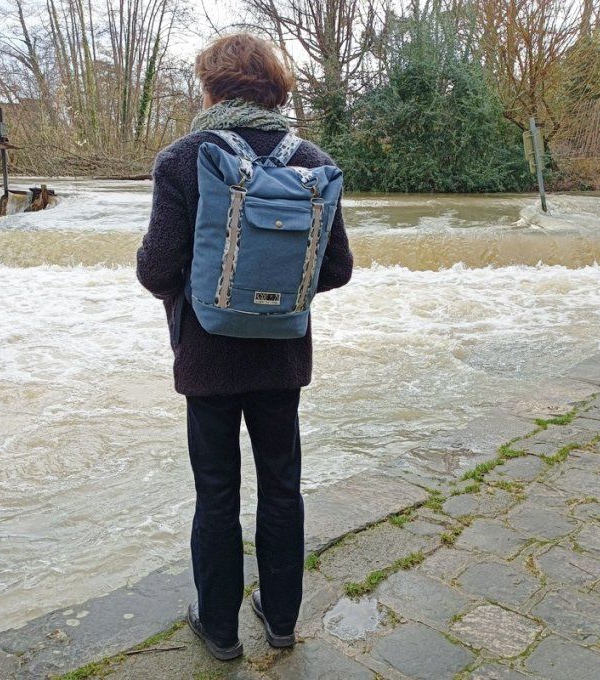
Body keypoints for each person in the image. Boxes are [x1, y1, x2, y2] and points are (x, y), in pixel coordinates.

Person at [136, 32, 353, 661]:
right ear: (275, 87)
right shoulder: (310, 158)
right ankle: (281, 621)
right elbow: (336, 269)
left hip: (207, 358)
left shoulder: (182, 159)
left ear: (210, 86)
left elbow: (156, 271)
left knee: (217, 493)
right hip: (282, 356)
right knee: (282, 487)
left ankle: (221, 631)